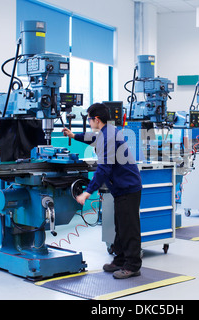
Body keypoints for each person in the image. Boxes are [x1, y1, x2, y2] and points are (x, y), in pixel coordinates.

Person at [62, 103, 143, 279]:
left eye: (89, 119)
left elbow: (104, 168)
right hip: (121, 188)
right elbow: (91, 137)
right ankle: (120, 260)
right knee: (120, 226)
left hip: (128, 188)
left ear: (96, 119)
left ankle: (133, 265)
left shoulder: (108, 137)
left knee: (129, 228)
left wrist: (87, 192)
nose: (89, 122)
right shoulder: (107, 132)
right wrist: (73, 135)